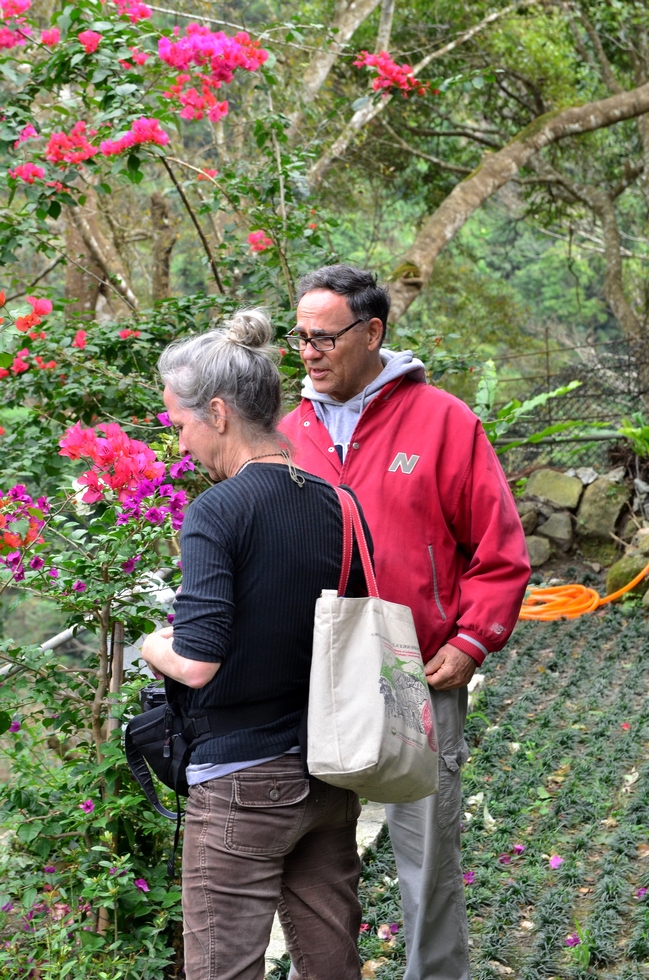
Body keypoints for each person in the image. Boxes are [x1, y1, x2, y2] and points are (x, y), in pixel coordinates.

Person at [279, 265, 531, 980]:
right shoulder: (286, 429)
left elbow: (499, 548)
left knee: (426, 860)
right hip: (310, 680)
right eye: (300, 337)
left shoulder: (443, 421)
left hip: (413, 673)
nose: (309, 351)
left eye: (323, 337)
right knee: (312, 863)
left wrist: (472, 639)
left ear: (372, 332)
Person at [141, 308, 371, 980]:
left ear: (216, 413)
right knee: (332, 963)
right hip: (329, 770)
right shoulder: (340, 503)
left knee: (222, 969)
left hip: (241, 784)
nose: (180, 444)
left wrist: (156, 643)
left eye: (179, 425)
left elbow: (198, 657)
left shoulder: (218, 509)